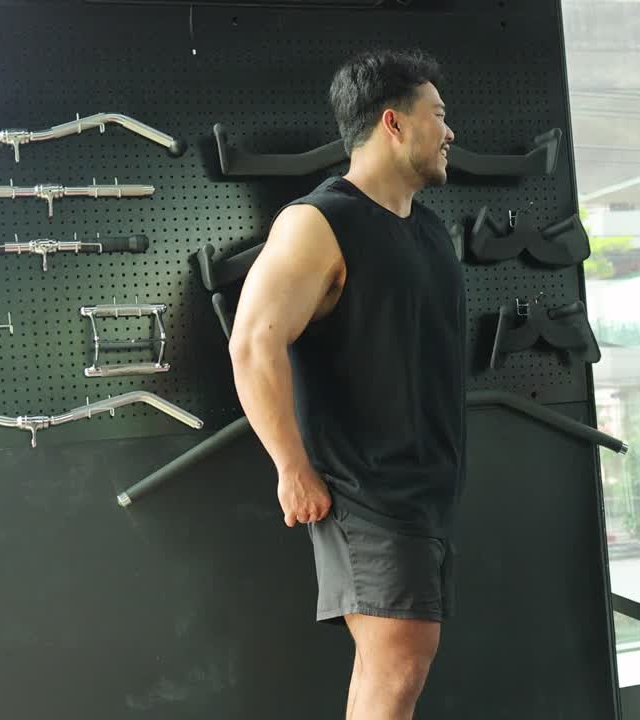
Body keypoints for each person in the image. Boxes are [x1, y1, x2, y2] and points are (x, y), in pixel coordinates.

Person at [228, 48, 463, 720]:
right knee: (399, 661)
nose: (449, 131)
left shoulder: (426, 228)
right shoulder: (319, 221)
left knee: (391, 667)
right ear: (394, 122)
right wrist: (291, 467)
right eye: (438, 115)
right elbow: (253, 342)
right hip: (365, 487)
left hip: (425, 488)